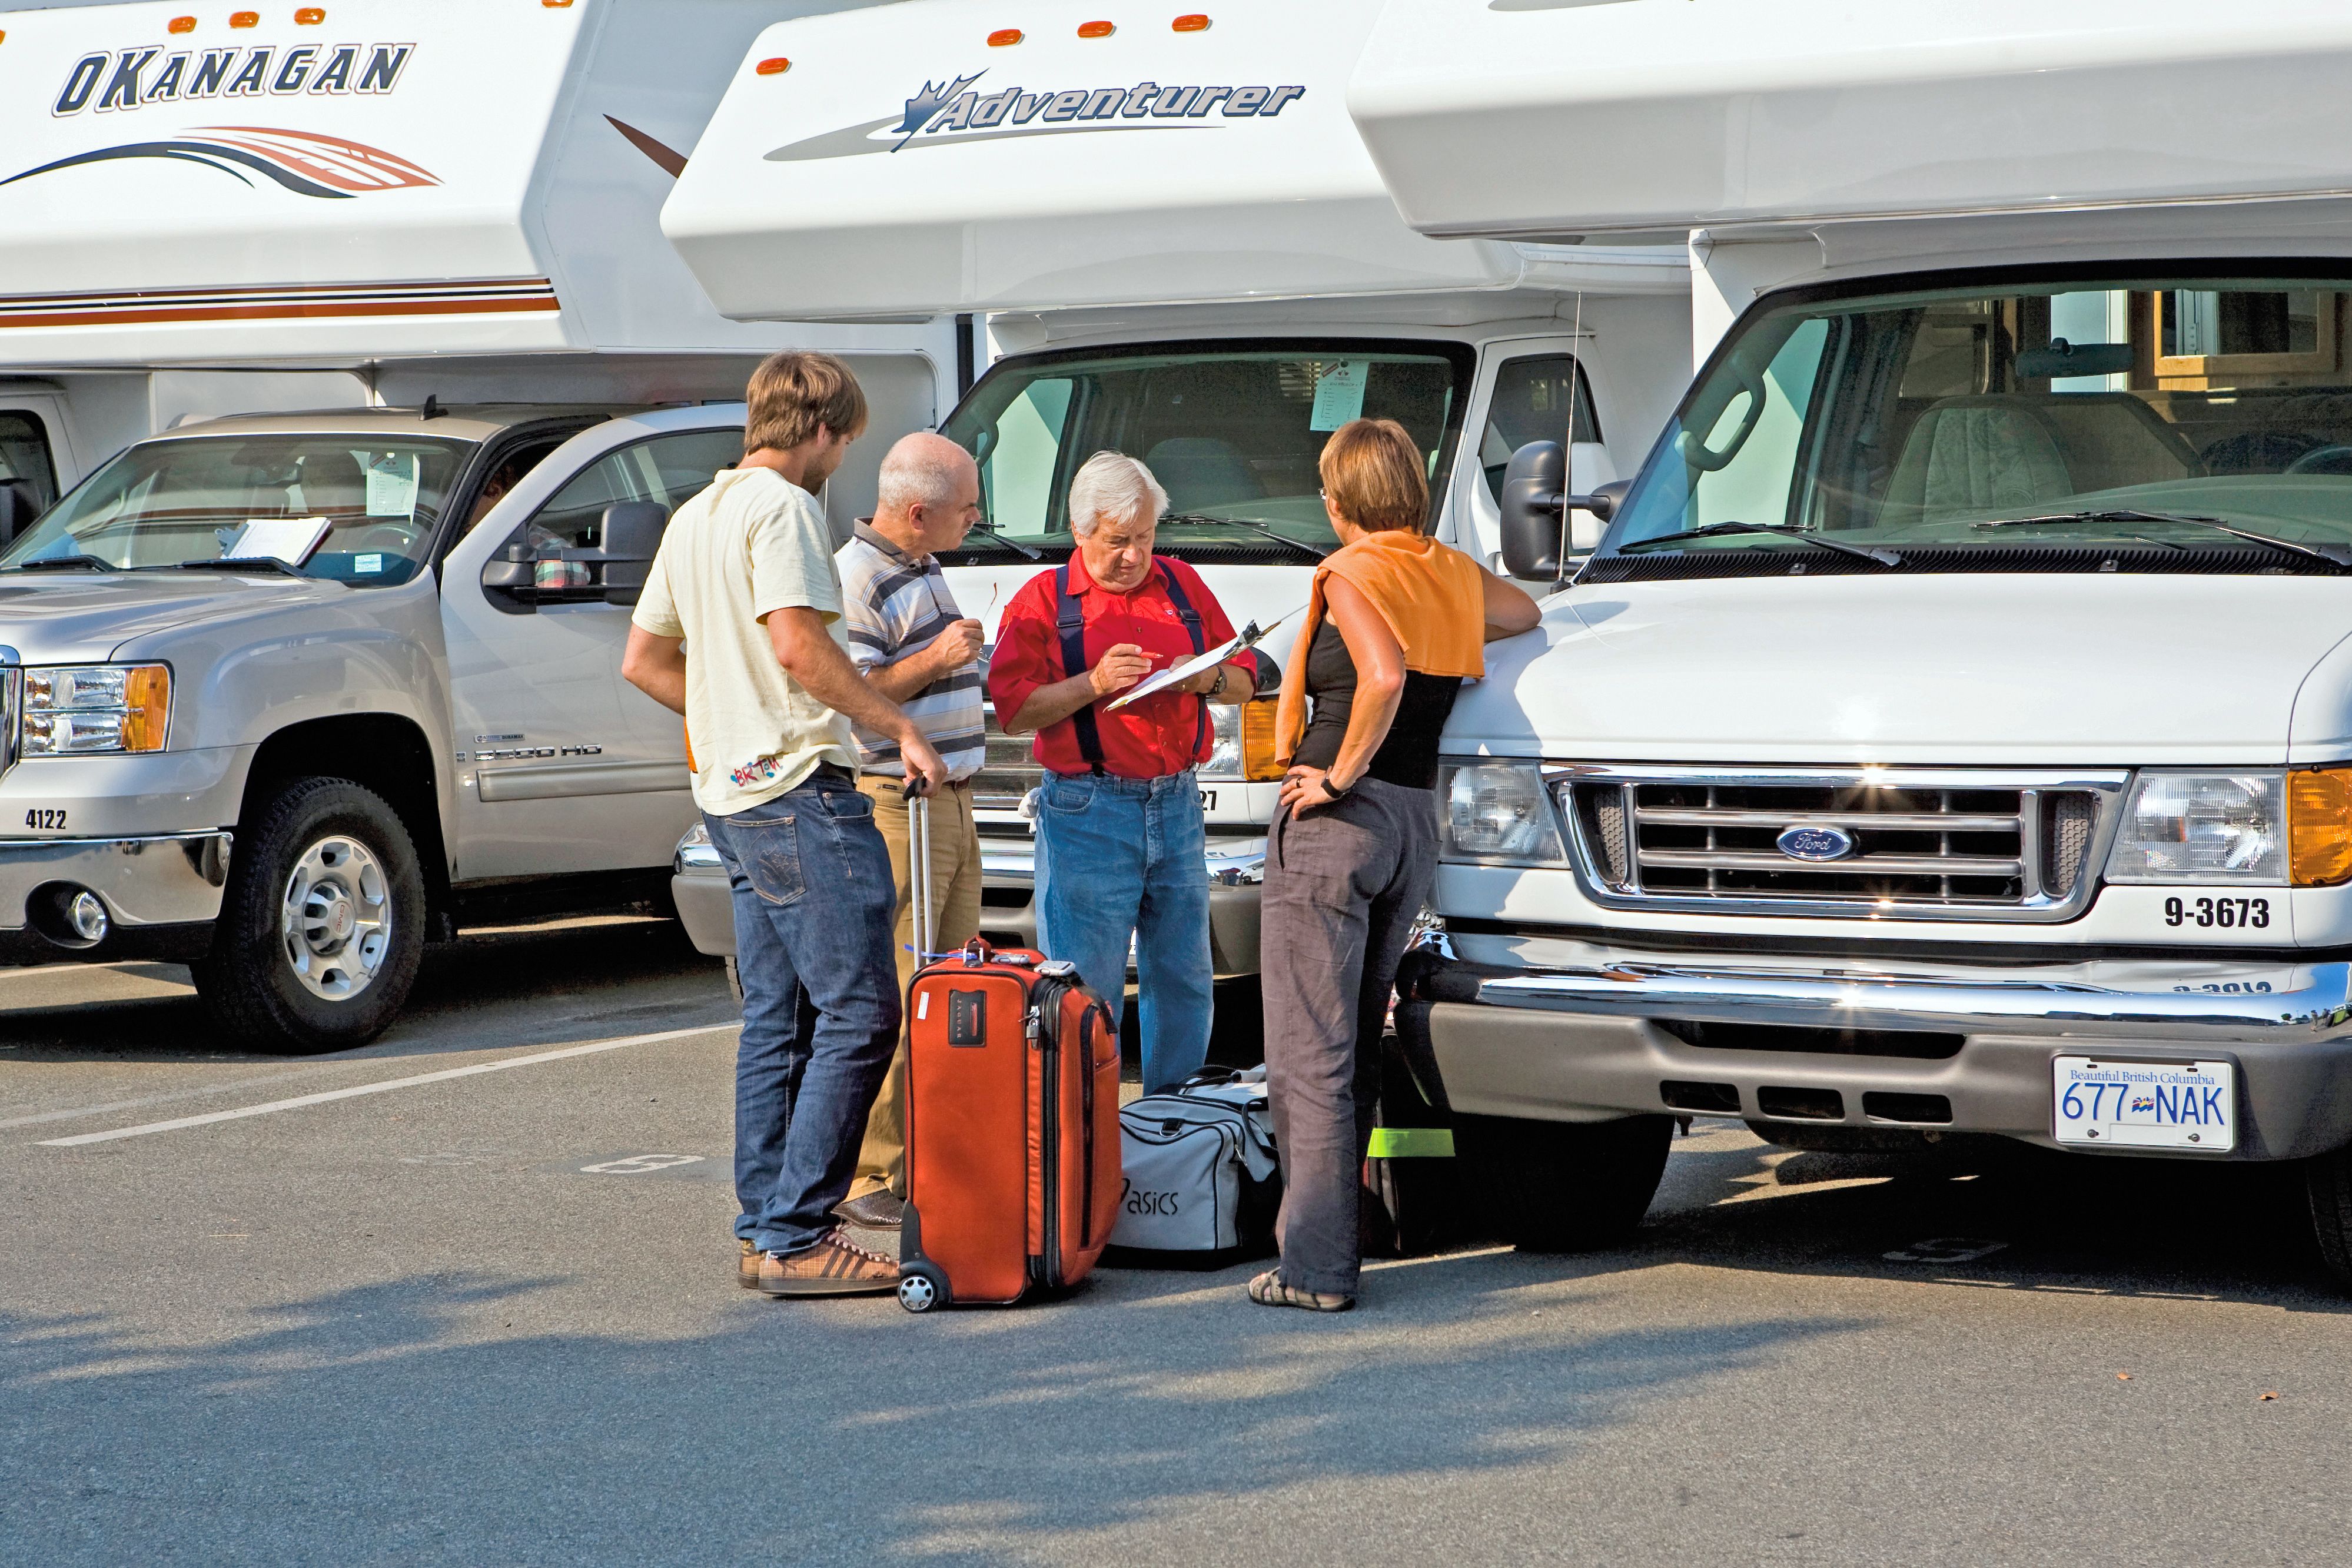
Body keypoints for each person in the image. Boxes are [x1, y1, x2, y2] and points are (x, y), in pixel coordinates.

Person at [620, 351, 949, 1298]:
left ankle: (762, 1226)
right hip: (802, 787)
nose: (841, 459)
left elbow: (643, 660)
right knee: (860, 1010)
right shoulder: (785, 511)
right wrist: (897, 727)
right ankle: (802, 1236)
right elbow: (801, 645)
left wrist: (726, 715)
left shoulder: (697, 514)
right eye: (844, 440)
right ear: (818, 430)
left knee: (778, 1017)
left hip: (730, 794)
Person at [1248, 417, 1541, 1313]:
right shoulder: (1446, 569)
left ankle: (1315, 1267)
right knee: (1355, 1049)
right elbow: (1524, 611)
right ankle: (1352, 1232)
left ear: (1338, 504)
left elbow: (1377, 679)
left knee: (1307, 1049)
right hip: (1415, 820)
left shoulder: (1352, 572)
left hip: (1343, 815)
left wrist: (1336, 773)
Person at [988, 451, 1272, 1095]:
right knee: (1088, 988)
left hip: (1177, 805)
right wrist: (1092, 684)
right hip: (1089, 810)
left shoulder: (1181, 585)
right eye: (1119, 541)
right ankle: (1084, 1142)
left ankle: (1173, 1126)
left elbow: (1246, 678)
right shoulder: (1044, 602)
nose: (1135, 555)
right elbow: (1013, 711)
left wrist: (1210, 678)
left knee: (1185, 979)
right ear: (1079, 531)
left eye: (1145, 538)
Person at [830, 433, 990, 1230]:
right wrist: (934, 660)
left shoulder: (922, 566)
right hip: (903, 803)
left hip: (951, 800)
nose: (978, 518)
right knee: (905, 991)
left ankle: (929, 1161)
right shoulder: (857, 575)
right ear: (920, 512)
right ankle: (870, 1178)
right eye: (967, 507)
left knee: (953, 989)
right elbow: (856, 695)